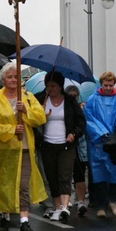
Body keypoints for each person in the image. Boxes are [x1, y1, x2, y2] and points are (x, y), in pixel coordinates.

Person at [0, 62, 47, 231]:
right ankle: (3, 217)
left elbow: (41, 118)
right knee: (4, 185)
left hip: (24, 149)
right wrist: (11, 130)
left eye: (16, 77)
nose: (13, 80)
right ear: (3, 80)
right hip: (3, 151)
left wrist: (26, 111)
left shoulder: (27, 97)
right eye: (10, 77)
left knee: (23, 185)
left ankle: (24, 221)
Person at [38, 71, 85, 222]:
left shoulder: (70, 101)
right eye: (47, 86)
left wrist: (74, 134)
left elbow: (81, 122)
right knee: (51, 177)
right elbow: (32, 119)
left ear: (60, 87)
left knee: (64, 175)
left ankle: (64, 207)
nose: (49, 89)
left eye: (53, 86)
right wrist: (40, 111)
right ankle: (57, 207)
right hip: (47, 144)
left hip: (66, 144)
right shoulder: (40, 99)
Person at [84, 71, 116, 218]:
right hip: (98, 143)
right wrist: (102, 132)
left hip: (115, 143)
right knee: (99, 173)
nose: (108, 88)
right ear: (101, 84)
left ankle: (112, 201)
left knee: (115, 172)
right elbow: (88, 118)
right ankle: (101, 205)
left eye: (111, 85)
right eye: (106, 85)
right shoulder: (92, 100)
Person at [65, 85, 88, 217]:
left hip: (80, 146)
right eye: (71, 96)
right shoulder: (65, 108)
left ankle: (80, 201)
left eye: (75, 96)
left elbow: (83, 125)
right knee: (66, 174)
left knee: (80, 174)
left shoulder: (82, 109)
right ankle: (67, 200)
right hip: (67, 145)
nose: (73, 98)